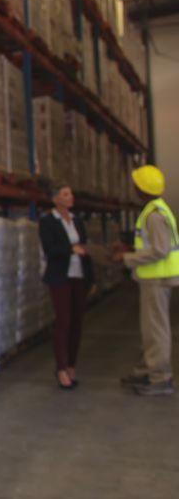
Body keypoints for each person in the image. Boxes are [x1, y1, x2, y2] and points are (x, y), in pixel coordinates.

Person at [114, 165, 179, 396]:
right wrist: (132, 248)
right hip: (154, 278)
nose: (133, 189)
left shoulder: (154, 215)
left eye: (136, 185)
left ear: (142, 189)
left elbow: (160, 250)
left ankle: (160, 378)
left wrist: (127, 257)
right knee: (149, 328)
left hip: (157, 279)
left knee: (156, 330)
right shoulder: (155, 210)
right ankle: (146, 370)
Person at [39, 183, 95, 390]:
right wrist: (71, 250)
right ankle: (61, 368)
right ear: (55, 199)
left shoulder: (77, 221)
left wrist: (92, 278)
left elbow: (85, 249)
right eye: (65, 194)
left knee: (77, 323)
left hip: (79, 276)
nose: (70, 197)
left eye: (70, 193)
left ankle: (72, 365)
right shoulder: (48, 222)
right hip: (60, 277)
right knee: (64, 322)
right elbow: (50, 250)